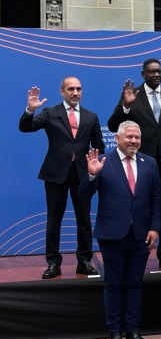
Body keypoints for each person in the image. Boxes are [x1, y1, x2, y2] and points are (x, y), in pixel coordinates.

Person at [79, 121, 161, 339]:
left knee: (135, 283)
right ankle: (114, 332)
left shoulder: (150, 163)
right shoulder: (103, 161)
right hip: (112, 234)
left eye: (137, 137)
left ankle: (133, 330)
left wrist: (155, 228)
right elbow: (83, 195)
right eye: (129, 137)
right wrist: (92, 175)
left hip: (141, 235)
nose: (134, 141)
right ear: (117, 138)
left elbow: (156, 198)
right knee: (114, 283)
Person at [19, 77, 105, 279]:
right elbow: (26, 127)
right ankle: (53, 263)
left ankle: (84, 261)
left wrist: (95, 164)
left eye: (78, 89)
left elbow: (99, 145)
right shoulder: (50, 113)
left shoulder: (91, 116)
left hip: (83, 174)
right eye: (71, 89)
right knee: (54, 220)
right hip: (56, 173)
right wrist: (30, 110)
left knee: (83, 219)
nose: (75, 92)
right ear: (62, 92)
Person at [107, 58, 161, 268]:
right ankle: (140, 249)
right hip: (141, 163)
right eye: (151, 72)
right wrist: (126, 105)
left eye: (159, 72)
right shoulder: (133, 95)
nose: (156, 75)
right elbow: (113, 124)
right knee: (143, 205)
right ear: (143, 74)